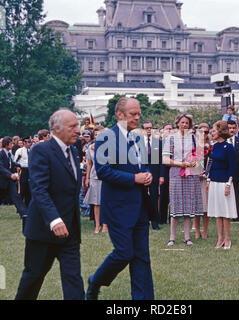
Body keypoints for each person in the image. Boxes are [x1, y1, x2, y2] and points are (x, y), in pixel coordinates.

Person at [86, 97, 154, 300]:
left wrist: (147, 174)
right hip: (117, 207)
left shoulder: (139, 137)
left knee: (141, 257)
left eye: (139, 113)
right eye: (133, 113)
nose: (137, 117)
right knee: (124, 253)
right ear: (119, 114)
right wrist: (134, 178)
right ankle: (95, 281)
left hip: (140, 205)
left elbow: (143, 165)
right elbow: (103, 171)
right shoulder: (106, 137)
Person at [15, 109, 85, 300]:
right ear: (56, 128)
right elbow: (39, 189)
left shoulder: (74, 151)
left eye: (77, 125)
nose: (78, 130)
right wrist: (54, 220)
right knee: (33, 276)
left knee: (73, 279)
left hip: (69, 231)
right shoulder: (41, 150)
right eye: (72, 126)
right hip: (44, 230)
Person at [162, 113, 203, 247]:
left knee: (189, 205)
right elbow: (165, 159)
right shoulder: (171, 138)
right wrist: (181, 164)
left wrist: (193, 163)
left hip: (190, 174)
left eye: (187, 123)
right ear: (177, 123)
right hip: (175, 173)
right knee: (175, 205)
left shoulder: (193, 138)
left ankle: (187, 237)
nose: (184, 125)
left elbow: (198, 156)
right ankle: (172, 238)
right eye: (182, 122)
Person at [207, 121, 236, 250]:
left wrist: (228, 184)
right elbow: (211, 165)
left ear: (220, 131)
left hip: (225, 182)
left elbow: (232, 167)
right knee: (217, 211)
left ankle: (227, 238)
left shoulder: (229, 147)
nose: (212, 133)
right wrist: (208, 181)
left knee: (225, 211)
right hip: (214, 181)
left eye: (214, 130)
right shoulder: (214, 146)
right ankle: (220, 238)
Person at [0, 136, 28, 229]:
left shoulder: (7, 154)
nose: (12, 145)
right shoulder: (1, 153)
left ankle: (23, 213)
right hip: (3, 181)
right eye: (11, 143)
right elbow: (1, 168)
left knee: (16, 196)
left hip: (9, 181)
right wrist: (10, 175)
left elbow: (11, 163)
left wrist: (20, 165)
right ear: (7, 144)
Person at [141, 120, 165, 230]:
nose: (149, 129)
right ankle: (143, 220)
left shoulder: (158, 142)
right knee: (142, 197)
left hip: (155, 174)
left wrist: (161, 175)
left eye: (150, 127)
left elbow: (161, 161)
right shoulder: (138, 142)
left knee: (154, 197)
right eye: (146, 128)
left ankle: (155, 222)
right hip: (141, 174)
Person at [84, 126, 108, 233]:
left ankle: (105, 225)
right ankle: (97, 226)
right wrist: (87, 178)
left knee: (105, 201)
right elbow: (89, 164)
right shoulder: (90, 148)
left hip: (107, 176)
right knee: (96, 202)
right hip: (94, 176)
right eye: (96, 134)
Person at [193, 123, 210, 239]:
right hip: (195, 178)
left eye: (206, 132)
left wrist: (206, 173)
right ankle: (197, 230)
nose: (204, 134)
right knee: (196, 207)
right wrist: (196, 172)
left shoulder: (210, 146)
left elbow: (212, 162)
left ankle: (205, 231)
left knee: (206, 207)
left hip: (206, 179)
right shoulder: (193, 145)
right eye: (201, 131)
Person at [227, 120, 239, 221]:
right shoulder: (222, 141)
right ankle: (227, 214)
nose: (232, 130)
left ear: (237, 128)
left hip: (238, 173)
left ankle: (237, 214)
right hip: (225, 173)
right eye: (229, 128)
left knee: (237, 194)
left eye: (233, 128)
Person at [159, 123, 173, 224]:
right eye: (167, 129)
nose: (169, 130)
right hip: (163, 171)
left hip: (174, 170)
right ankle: (162, 218)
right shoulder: (159, 142)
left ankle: (172, 217)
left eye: (171, 129)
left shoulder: (175, 142)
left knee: (173, 196)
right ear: (162, 130)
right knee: (163, 196)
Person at [14, 137, 32, 207]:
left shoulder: (31, 150)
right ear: (24, 142)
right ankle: (20, 207)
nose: (29, 143)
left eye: (30, 142)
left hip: (29, 170)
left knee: (28, 189)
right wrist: (17, 170)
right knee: (22, 189)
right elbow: (15, 161)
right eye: (28, 142)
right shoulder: (20, 151)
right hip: (23, 170)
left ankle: (27, 206)